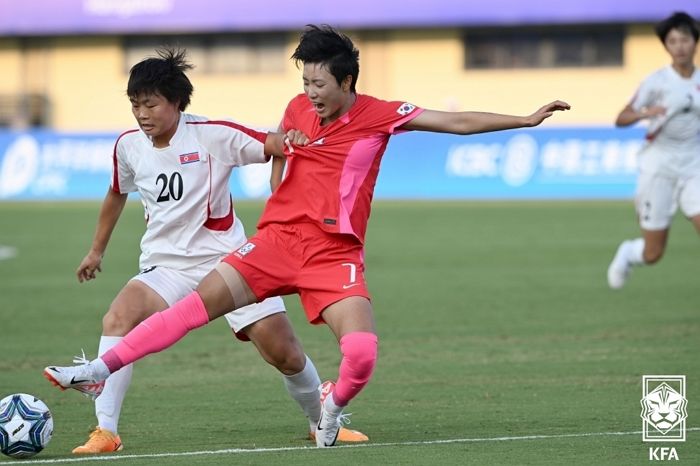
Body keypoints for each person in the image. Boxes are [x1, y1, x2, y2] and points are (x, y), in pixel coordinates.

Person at [44, 25, 570, 448]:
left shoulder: (379, 116)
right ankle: (99, 383)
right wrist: (279, 178)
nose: (309, 95)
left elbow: (454, 121)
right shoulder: (293, 110)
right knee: (167, 313)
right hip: (270, 244)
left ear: (347, 82)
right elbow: (281, 149)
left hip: (330, 252)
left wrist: (523, 120)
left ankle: (328, 414)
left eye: (319, 84)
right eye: (305, 84)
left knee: (313, 354)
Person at [43, 47, 367, 454]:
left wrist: (295, 143)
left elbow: (277, 145)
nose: (142, 114)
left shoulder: (213, 134)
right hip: (166, 266)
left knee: (284, 353)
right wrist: (96, 251)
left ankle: (322, 423)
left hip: (230, 263)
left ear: (177, 102)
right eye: (134, 105)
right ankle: (105, 431)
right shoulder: (128, 146)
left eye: (150, 104)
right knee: (118, 316)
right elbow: (115, 193)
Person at [607, 12, 700, 289]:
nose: (680, 46)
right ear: (666, 46)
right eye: (673, 41)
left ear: (695, 42)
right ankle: (628, 253)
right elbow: (620, 118)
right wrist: (645, 112)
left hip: (695, 163)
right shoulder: (656, 82)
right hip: (659, 166)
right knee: (653, 253)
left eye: (685, 40)